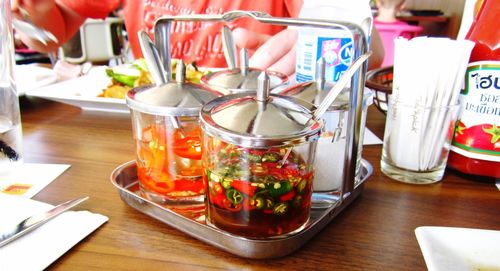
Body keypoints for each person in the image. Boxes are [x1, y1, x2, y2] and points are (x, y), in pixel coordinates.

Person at [12, 0, 383, 74]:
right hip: (155, 123)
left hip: (255, 124)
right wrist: (25, 15)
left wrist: (333, 33)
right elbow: (53, 30)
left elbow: (372, 48)